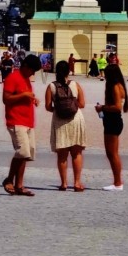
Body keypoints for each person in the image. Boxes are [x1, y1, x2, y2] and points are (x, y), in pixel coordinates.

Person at [1, 53, 42, 197]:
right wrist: (24, 96)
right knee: (22, 151)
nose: (33, 74)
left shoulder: (26, 79)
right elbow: (6, 99)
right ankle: (8, 179)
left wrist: (33, 99)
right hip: (16, 120)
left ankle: (19, 185)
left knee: (26, 154)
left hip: (28, 121)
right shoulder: (13, 77)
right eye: (32, 70)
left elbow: (24, 95)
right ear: (25, 66)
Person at [45, 60, 88, 191]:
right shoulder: (75, 84)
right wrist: (72, 107)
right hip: (75, 119)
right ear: (69, 71)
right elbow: (82, 104)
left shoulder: (51, 86)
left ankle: (64, 183)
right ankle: (76, 183)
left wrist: (59, 110)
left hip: (59, 121)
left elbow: (48, 107)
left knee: (62, 155)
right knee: (76, 153)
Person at [95, 63, 128, 191]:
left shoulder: (114, 86)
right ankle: (117, 182)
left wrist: (102, 107)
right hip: (114, 121)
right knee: (112, 153)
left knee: (112, 153)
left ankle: (117, 183)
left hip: (113, 121)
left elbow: (117, 107)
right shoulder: (120, 85)